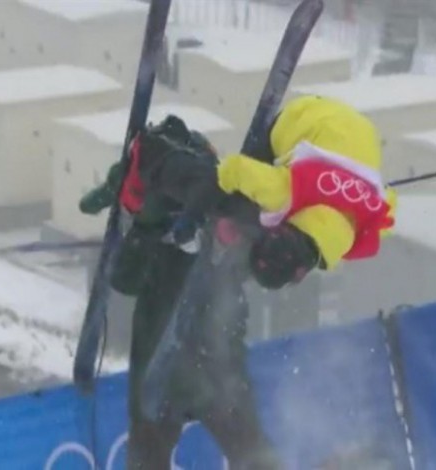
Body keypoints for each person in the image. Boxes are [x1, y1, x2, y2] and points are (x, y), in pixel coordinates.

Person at [79, 116, 281, 470]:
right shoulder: (160, 221)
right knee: (245, 450)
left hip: (202, 362)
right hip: (173, 365)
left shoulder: (216, 207)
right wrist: (145, 227)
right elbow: (125, 279)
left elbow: (250, 266)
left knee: (249, 452)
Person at [138, 94, 398, 290]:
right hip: (307, 115)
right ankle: (154, 156)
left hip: (363, 131)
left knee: (252, 211)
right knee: (236, 201)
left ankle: (228, 230)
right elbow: (234, 169)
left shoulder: (370, 226)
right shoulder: (283, 192)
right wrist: (194, 213)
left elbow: (389, 202)